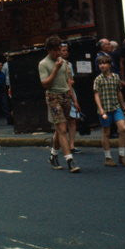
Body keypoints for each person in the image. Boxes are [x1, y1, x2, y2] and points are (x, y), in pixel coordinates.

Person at [40, 35, 80, 173]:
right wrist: (55, 69)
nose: (58, 53)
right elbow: (45, 84)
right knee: (62, 129)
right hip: (53, 97)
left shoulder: (63, 61)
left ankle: (53, 155)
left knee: (60, 128)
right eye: (56, 50)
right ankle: (70, 160)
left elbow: (68, 80)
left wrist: (73, 99)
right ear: (49, 50)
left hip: (65, 96)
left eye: (59, 49)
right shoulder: (43, 64)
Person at [93, 56, 125, 167]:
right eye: (100, 64)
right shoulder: (98, 79)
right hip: (104, 109)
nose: (102, 65)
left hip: (115, 107)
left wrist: (123, 105)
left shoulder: (116, 77)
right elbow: (96, 95)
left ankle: (122, 156)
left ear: (110, 65)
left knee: (123, 128)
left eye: (104, 63)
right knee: (106, 132)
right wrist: (100, 109)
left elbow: (119, 92)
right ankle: (108, 157)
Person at [0, 60, 12, 125]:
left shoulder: (2, 74)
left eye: (1, 65)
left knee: (5, 105)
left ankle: (9, 120)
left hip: (2, 91)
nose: (1, 66)